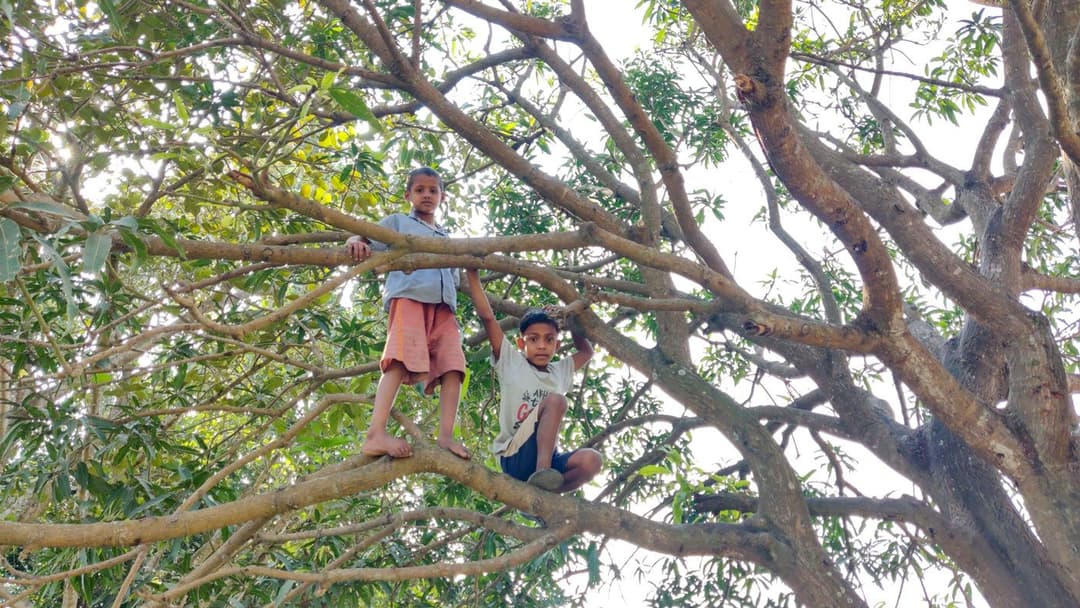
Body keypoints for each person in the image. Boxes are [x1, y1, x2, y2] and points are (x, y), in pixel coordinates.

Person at [346, 167, 470, 460]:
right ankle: (375, 433)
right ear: (408, 195)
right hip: (410, 299)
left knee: (453, 366)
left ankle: (446, 436)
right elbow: (364, 238)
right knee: (399, 360)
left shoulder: (446, 237)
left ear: (442, 196)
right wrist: (354, 242)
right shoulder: (398, 223)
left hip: (444, 307)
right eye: (420, 190)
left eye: (433, 190)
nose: (427, 195)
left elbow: (454, 277)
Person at [465, 269, 602, 492]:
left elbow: (586, 352)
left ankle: (545, 494)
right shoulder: (511, 362)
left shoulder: (559, 371)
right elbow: (488, 318)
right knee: (556, 401)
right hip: (514, 456)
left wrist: (570, 318)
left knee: (592, 461)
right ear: (521, 344)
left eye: (549, 340)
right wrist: (472, 275)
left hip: (545, 454)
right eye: (533, 339)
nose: (541, 345)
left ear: (557, 346)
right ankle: (542, 473)